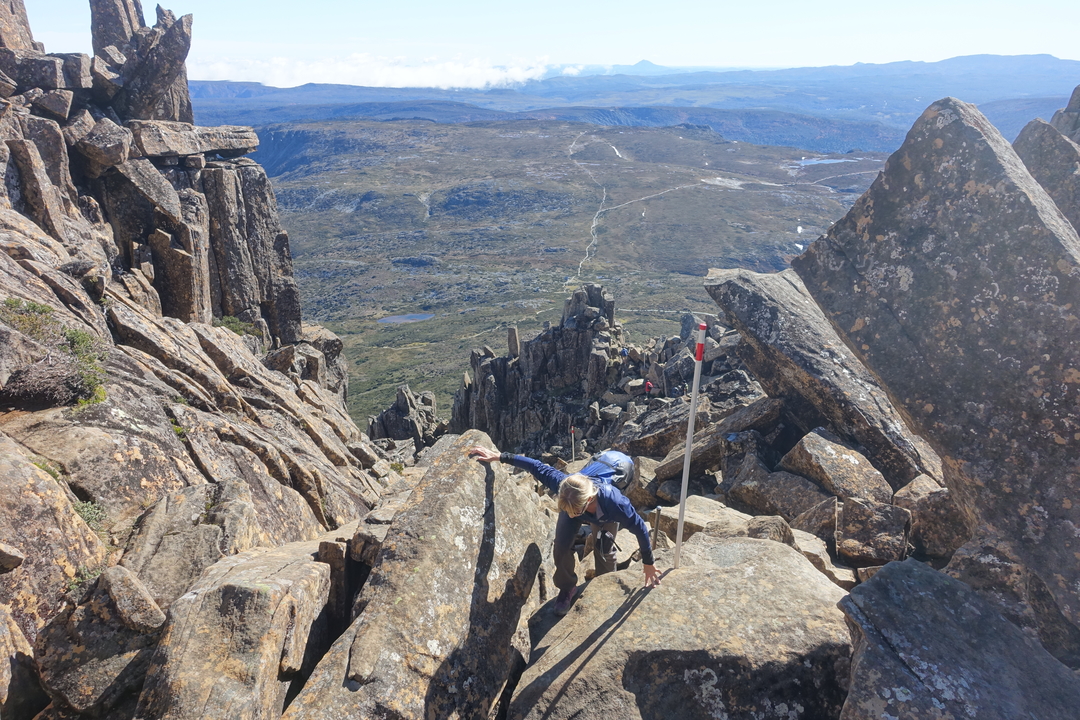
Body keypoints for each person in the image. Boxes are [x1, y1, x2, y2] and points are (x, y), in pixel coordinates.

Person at [469, 445, 661, 616]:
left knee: (604, 548)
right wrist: (500, 456)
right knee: (560, 546)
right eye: (566, 510)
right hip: (590, 483)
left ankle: (605, 588)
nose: (569, 515)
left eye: (574, 511)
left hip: (617, 477)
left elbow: (640, 528)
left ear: (588, 500)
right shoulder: (565, 485)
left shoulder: (615, 504)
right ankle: (568, 588)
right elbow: (536, 466)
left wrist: (648, 563)